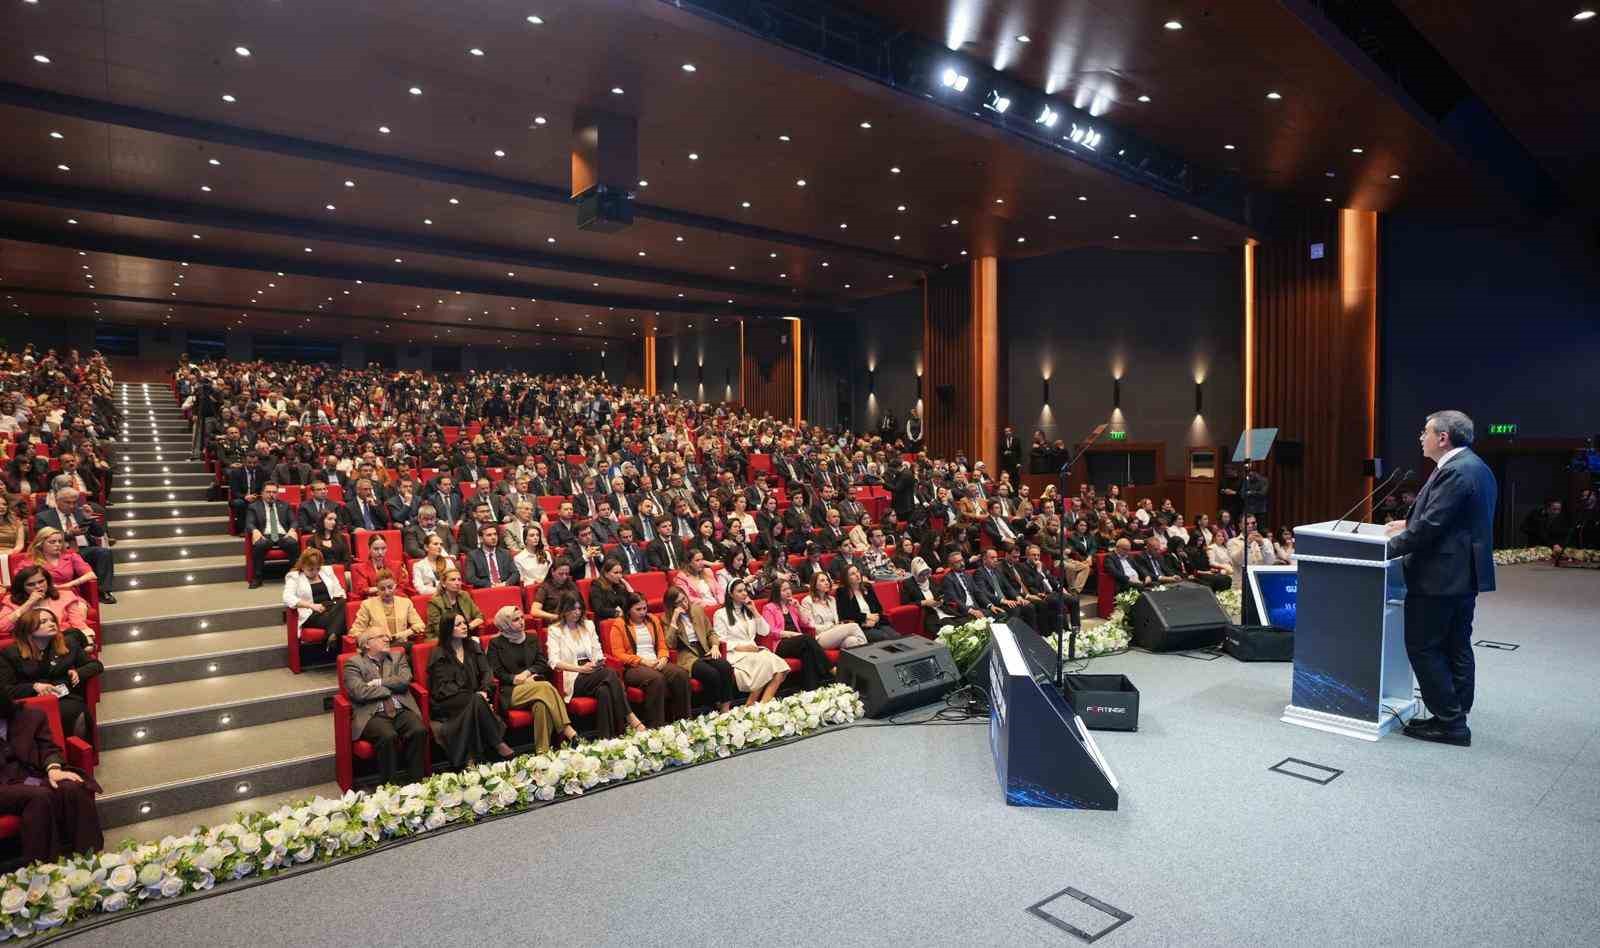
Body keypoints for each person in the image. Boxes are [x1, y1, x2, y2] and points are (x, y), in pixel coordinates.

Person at [1384, 410, 1497, 747]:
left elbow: (1432, 528)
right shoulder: (1475, 466)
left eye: (1426, 431)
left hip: (1440, 576)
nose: (1421, 437)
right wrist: (1409, 524)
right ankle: (1456, 712)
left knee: (1424, 647)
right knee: (1455, 644)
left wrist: (1383, 550)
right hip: (1461, 574)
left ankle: (1450, 723)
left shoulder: (1455, 471)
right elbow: (1456, 519)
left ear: (1443, 438)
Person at [0, 690, 102, 863]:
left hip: (32, 776)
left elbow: (48, 748)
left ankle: (92, 861)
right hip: (4, 786)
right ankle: (44, 869)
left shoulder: (30, 716)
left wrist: (54, 768)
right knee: (39, 797)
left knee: (73, 787)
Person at [544, 591, 642, 737]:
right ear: (564, 609)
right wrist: (580, 668)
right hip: (574, 677)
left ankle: (606, 738)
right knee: (610, 673)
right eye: (573, 609)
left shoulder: (588, 625)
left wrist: (598, 662)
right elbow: (554, 662)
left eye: (579, 608)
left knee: (604, 691)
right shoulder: (555, 630)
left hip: (594, 673)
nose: (577, 612)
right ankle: (630, 716)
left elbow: (598, 651)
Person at [426, 613, 515, 768]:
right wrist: (476, 696)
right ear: (448, 629)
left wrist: (484, 691)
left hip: (474, 697)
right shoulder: (439, 653)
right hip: (448, 700)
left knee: (476, 704)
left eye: (464, 623)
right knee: (477, 702)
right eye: (458, 624)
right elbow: (444, 687)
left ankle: (469, 759)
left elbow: (487, 672)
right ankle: (497, 743)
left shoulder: (473, 646)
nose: (464, 626)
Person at [342, 626, 428, 787]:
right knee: (388, 736)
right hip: (373, 713)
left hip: (401, 709)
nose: (387, 639)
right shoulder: (353, 663)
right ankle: (389, 787)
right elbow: (359, 692)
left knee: (419, 730)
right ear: (367, 644)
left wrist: (378, 683)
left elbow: (405, 680)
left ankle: (417, 783)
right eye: (381, 636)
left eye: (387, 636)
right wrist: (389, 689)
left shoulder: (397, 657)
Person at [486, 606, 577, 753]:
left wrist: (527, 673)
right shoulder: (495, 644)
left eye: (522, 617)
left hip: (534, 686)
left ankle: (543, 752)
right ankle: (567, 729)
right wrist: (515, 679)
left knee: (541, 705)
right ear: (505, 624)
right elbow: (496, 671)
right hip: (510, 691)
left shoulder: (532, 638)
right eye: (516, 620)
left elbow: (542, 663)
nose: (521, 621)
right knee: (545, 686)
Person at [0, 608, 102, 739]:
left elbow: (96, 665)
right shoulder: (10, 653)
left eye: (52, 620)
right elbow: (6, 689)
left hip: (63, 697)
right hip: (31, 700)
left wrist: (78, 672)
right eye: (44, 622)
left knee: (76, 711)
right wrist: (34, 687)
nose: (52, 624)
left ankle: (79, 748)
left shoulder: (68, 643)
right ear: (28, 628)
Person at [603, 593, 692, 726]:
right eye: (638, 609)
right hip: (634, 666)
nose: (643, 612)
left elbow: (662, 644)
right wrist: (642, 661)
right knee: (656, 679)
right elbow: (618, 654)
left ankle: (683, 722)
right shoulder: (619, 624)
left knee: (681, 674)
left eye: (644, 608)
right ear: (628, 610)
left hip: (655, 660)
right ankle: (656, 726)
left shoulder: (652, 620)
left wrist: (663, 657)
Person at [713, 579, 788, 704]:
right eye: (740, 591)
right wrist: (743, 648)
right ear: (731, 594)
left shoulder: (749, 610)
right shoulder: (721, 614)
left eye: (745, 590)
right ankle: (750, 704)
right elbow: (720, 639)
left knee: (781, 668)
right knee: (768, 663)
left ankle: (763, 705)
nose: (744, 593)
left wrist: (754, 611)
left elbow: (765, 631)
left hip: (753, 651)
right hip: (736, 654)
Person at [662, 587, 735, 713]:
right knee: (711, 674)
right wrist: (674, 620)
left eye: (684, 599)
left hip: (705, 649)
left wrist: (715, 646)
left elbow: (711, 632)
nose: (684, 604)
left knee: (725, 667)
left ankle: (726, 706)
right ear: (672, 605)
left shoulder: (697, 610)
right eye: (679, 603)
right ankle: (713, 705)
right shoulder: (666, 618)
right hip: (687, 655)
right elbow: (670, 644)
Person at [761, 580, 835, 690]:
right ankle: (830, 668)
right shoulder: (769, 608)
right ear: (777, 592)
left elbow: (806, 623)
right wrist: (792, 635)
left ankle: (811, 690)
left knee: (807, 653)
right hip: (781, 644)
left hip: (799, 641)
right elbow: (771, 631)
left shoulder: (792, 605)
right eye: (784, 590)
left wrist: (799, 608)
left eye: (789, 589)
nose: (788, 592)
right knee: (807, 639)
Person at [0, 566, 91, 646]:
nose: (38, 586)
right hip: (30, 645)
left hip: (61, 640)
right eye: (30, 584)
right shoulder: (11, 601)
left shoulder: (65, 596)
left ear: (47, 581)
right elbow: (2, 627)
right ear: (22, 587)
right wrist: (28, 603)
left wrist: (88, 638)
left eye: (41, 581)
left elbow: (77, 623)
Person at [283, 547, 348, 656]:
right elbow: (287, 597)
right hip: (311, 613)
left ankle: (332, 635)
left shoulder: (327, 571)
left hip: (330, 607)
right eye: (311, 569)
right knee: (346, 616)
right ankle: (333, 635)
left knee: (344, 602)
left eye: (318, 568)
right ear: (302, 566)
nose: (315, 572)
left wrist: (335, 602)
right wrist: (311, 605)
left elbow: (340, 592)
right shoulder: (294, 577)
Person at [350, 569, 427, 646]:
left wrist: (405, 633)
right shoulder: (367, 605)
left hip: (401, 643)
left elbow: (420, 625)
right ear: (377, 589)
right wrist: (373, 637)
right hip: (378, 646)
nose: (387, 592)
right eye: (382, 589)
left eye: (390, 587)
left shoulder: (406, 603)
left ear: (395, 586)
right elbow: (355, 632)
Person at [244, 482, 298, 588]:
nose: (271, 494)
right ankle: (257, 577)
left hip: (283, 535)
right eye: (268, 492)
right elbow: (249, 523)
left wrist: (292, 529)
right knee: (259, 545)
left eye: (274, 492)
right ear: (262, 493)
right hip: (265, 535)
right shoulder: (254, 507)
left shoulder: (285, 505)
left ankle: (296, 575)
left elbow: (294, 521)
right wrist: (255, 531)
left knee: (292, 543)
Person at [799, 571, 867, 649]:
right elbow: (811, 626)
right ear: (815, 585)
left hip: (835, 633)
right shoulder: (807, 601)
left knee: (852, 641)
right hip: (820, 637)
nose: (826, 583)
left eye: (827, 580)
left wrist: (838, 625)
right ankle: (868, 651)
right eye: (822, 581)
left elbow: (837, 621)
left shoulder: (832, 600)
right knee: (854, 626)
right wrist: (830, 626)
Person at [835, 564, 899, 642]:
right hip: (860, 627)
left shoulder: (867, 587)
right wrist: (865, 617)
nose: (857, 575)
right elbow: (846, 615)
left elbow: (878, 607)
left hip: (876, 622)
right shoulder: (842, 592)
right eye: (852, 574)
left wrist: (876, 618)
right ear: (846, 578)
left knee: (896, 636)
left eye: (857, 572)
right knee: (884, 637)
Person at [350, 534, 413, 599]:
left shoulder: (396, 566)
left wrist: (375, 589)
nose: (380, 552)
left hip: (394, 599)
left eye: (383, 548)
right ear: (369, 549)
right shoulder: (361, 568)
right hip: (373, 602)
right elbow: (363, 590)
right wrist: (388, 588)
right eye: (376, 549)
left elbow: (401, 587)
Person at [427, 568, 484, 635]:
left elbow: (479, 616)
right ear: (443, 584)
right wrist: (461, 630)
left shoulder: (464, 595)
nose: (457, 583)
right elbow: (439, 629)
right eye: (453, 580)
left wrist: (468, 627)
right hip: (442, 638)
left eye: (459, 580)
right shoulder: (435, 602)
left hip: (465, 634)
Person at [587, 557, 633, 622]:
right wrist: (617, 613)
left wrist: (627, 585)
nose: (619, 576)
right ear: (606, 574)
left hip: (622, 619)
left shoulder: (619, 586)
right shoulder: (596, 585)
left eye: (620, 573)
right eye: (616, 573)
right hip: (606, 620)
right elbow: (599, 609)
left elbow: (631, 603)